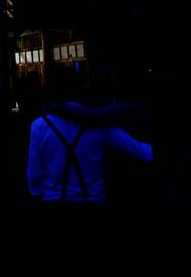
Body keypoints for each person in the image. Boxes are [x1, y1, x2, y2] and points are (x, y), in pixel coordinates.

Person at [26, 80, 152, 242]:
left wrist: (37, 195)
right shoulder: (99, 123)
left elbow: (33, 174)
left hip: (54, 205)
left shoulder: (39, 125)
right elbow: (141, 152)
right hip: (93, 203)